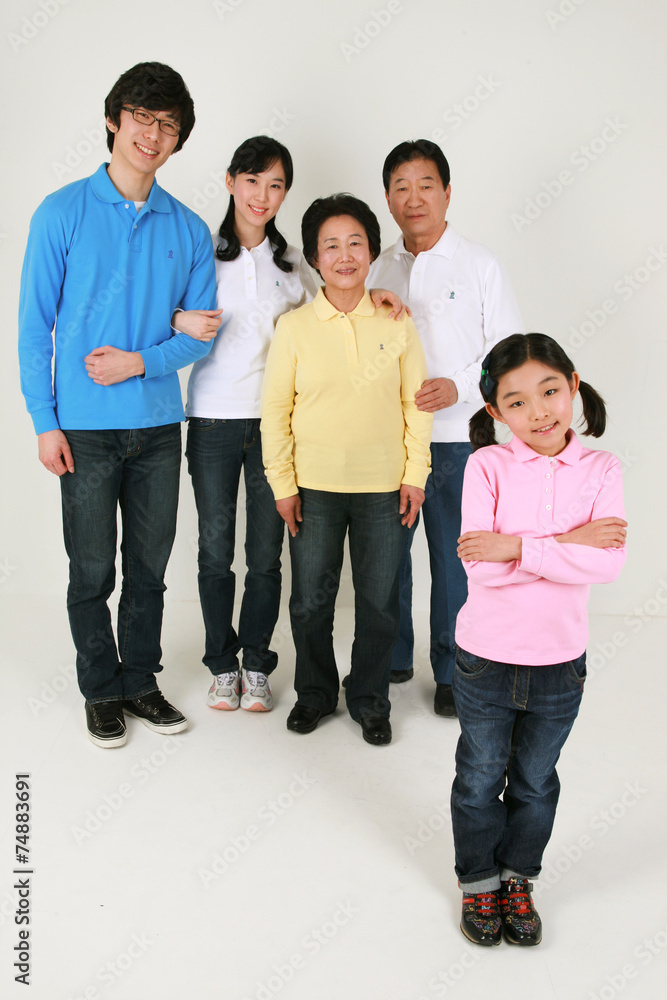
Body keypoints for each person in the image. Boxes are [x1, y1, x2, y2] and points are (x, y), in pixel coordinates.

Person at [18, 62, 217, 748]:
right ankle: (100, 689)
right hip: (84, 429)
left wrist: (140, 362)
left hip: (159, 428)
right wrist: (45, 422)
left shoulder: (188, 229)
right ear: (114, 118)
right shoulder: (61, 212)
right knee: (92, 569)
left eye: (168, 124)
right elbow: (33, 328)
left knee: (149, 571)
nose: (152, 134)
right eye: (142, 117)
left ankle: (140, 681)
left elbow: (199, 333)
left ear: (179, 138)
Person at [451, 333, 626, 947]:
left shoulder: (602, 469)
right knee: (479, 778)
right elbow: (480, 566)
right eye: (517, 402)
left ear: (572, 385)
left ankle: (518, 877)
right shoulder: (486, 466)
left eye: (550, 391)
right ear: (495, 411)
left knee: (535, 781)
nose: (539, 412)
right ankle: (478, 882)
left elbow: (608, 564)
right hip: (485, 658)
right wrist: (569, 543)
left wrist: (517, 547)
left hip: (560, 663)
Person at [261, 194, 433, 745]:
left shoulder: (396, 321)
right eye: (331, 245)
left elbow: (415, 404)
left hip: (384, 486)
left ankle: (369, 698)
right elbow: (275, 411)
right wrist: (282, 484)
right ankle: (314, 692)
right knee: (310, 601)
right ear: (314, 257)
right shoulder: (294, 328)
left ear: (371, 252)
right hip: (313, 487)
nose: (344, 255)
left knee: (380, 602)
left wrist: (415, 475)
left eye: (355, 243)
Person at [368, 139, 524, 717]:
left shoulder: (479, 263)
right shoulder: (378, 266)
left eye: (426, 185)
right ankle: (390, 658)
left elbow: (509, 353)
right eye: (401, 187)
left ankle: (455, 672)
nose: (414, 198)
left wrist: (461, 386)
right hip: (392, 441)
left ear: (447, 193)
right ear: (388, 198)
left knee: (455, 562)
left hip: (461, 441)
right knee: (387, 559)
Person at [172, 136, 317, 713]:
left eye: (276, 185)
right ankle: (221, 664)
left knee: (265, 553)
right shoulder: (199, 252)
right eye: (253, 180)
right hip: (211, 420)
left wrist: (379, 296)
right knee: (214, 550)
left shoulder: (292, 263)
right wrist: (177, 317)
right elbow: (160, 313)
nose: (263, 195)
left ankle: (256, 662)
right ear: (231, 181)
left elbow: (329, 315)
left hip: (275, 426)